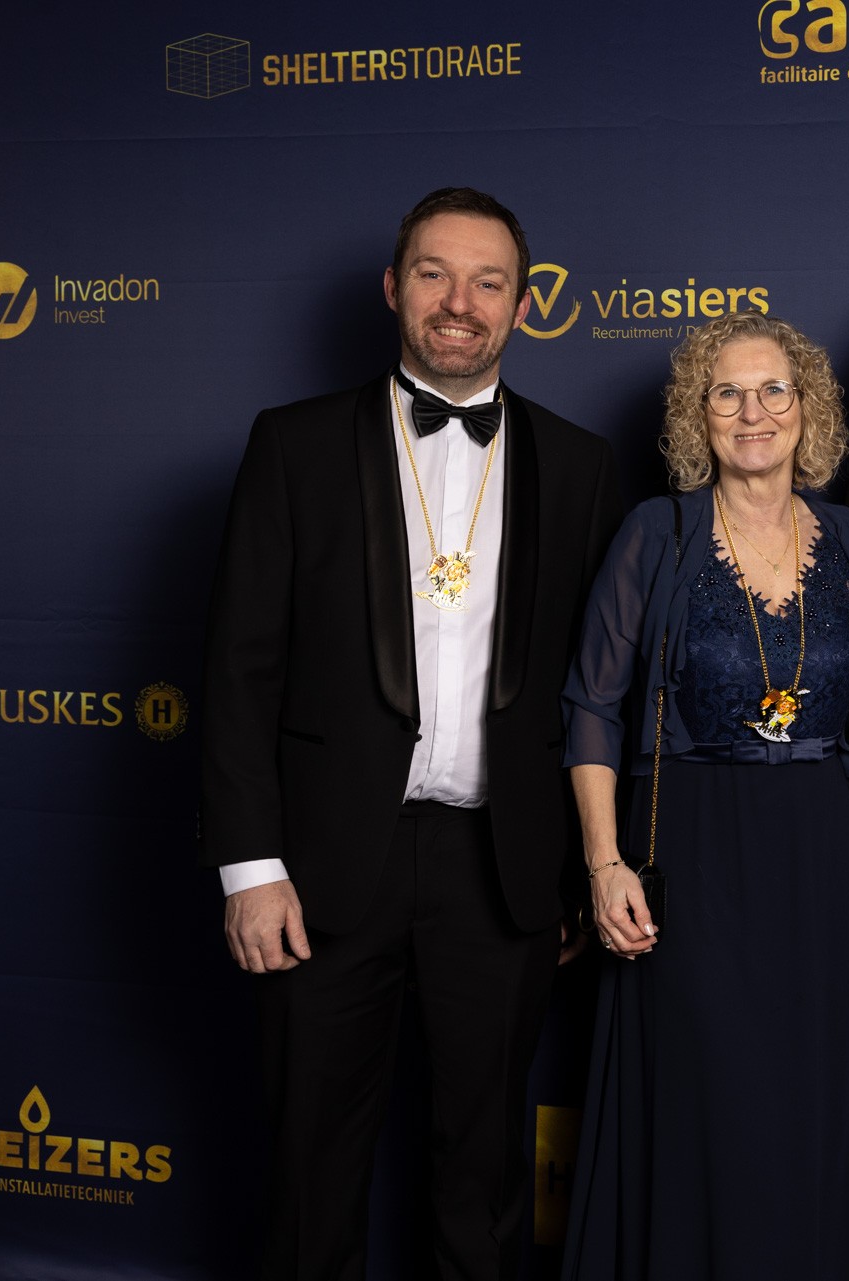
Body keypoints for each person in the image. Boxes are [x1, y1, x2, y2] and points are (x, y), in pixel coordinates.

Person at [201, 187, 621, 1281]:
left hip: (503, 871)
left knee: (483, 1176)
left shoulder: (582, 466)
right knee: (311, 1168)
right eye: (435, 274)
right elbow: (239, 673)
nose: (459, 303)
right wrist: (251, 868)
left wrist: (578, 871)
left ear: (522, 306)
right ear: (394, 288)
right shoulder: (292, 445)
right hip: (322, 868)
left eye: (488, 281)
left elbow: (596, 690)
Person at [560, 311, 849, 1281]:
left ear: (807, 408)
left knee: (806, 1096)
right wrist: (604, 862)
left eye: (774, 390)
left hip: (821, 853)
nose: (754, 412)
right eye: (727, 393)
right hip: (694, 853)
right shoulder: (657, 533)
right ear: (696, 417)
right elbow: (591, 704)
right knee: (713, 1099)